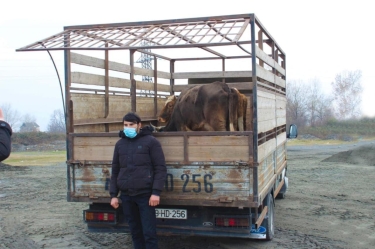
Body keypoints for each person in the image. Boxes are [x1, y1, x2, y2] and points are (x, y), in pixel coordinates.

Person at [110, 112, 167, 249]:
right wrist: (113, 195)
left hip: (145, 196)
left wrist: (156, 193)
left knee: (149, 234)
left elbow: (160, 168)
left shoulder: (151, 142)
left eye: (131, 124)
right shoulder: (120, 144)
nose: (128, 127)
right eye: (125, 125)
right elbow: (115, 170)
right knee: (135, 233)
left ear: (139, 125)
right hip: (126, 195)